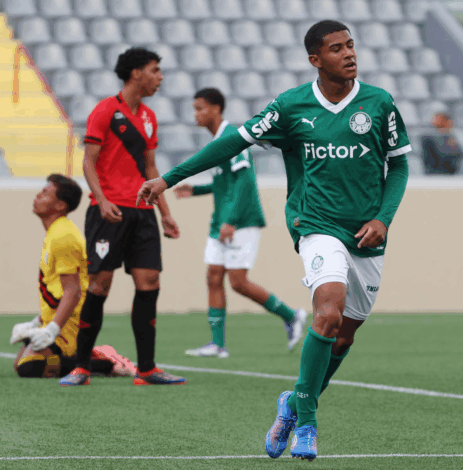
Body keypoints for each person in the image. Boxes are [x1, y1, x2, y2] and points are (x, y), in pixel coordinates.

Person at [135, 20, 411, 461]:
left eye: (351, 46)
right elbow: (230, 143)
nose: (349, 54)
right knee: (327, 312)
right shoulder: (290, 107)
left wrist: (383, 217)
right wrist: (168, 178)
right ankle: (307, 422)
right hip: (316, 224)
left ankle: (293, 401)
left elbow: (397, 167)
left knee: (344, 337)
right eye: (337, 48)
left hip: (368, 233)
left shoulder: (379, 103)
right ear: (315, 60)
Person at [59, 47, 186, 387]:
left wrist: (165, 213)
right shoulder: (105, 111)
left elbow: (150, 168)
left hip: (143, 213)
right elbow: (88, 161)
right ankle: (81, 367)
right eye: (155, 70)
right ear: (135, 73)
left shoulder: (149, 117)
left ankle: (146, 369)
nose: (160, 77)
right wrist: (101, 200)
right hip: (109, 212)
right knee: (100, 285)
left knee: (150, 283)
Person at [173, 88, 308, 357]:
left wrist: (231, 220)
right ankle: (217, 344)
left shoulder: (232, 138)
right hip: (221, 220)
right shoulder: (217, 140)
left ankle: (291, 315)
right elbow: (226, 181)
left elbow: (245, 182)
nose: (195, 114)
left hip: (241, 221)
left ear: (216, 109)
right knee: (213, 277)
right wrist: (197, 191)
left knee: (237, 282)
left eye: (199, 108)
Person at [10, 174, 136, 379]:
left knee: (30, 367)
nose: (37, 196)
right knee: (19, 364)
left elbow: (72, 290)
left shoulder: (63, 236)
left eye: (45, 193)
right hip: (58, 318)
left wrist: (52, 329)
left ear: (60, 205)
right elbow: (55, 289)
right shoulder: (55, 232)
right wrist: (35, 323)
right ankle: (84, 355)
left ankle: (105, 362)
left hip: (70, 322)